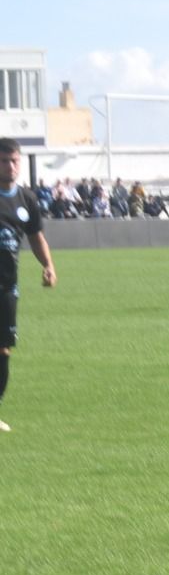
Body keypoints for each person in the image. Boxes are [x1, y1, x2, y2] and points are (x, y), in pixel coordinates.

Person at [0, 138, 58, 433]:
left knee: (3, 350)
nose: (10, 167)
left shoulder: (26, 200)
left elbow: (35, 237)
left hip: (7, 289)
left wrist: (47, 265)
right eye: (4, 161)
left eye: (14, 161)